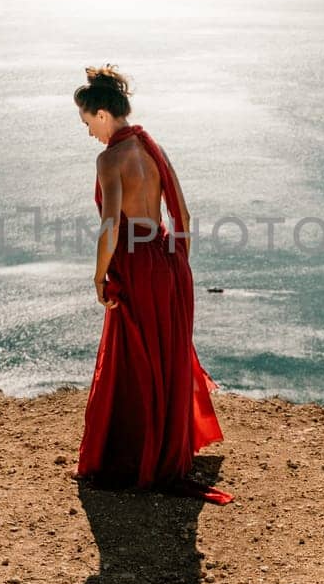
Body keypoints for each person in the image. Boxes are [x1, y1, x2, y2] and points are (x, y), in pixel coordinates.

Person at [71, 65, 232, 504]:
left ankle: (134, 454)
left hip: (137, 266)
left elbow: (109, 226)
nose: (89, 134)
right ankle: (163, 450)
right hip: (166, 260)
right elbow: (185, 217)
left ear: (103, 114)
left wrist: (99, 276)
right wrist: (174, 266)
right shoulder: (151, 146)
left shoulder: (111, 159)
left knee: (134, 359)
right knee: (163, 354)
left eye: (88, 123)